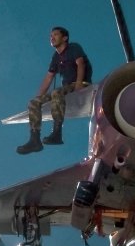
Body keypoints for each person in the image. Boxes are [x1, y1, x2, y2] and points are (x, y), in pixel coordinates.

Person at [17, 26, 92, 154]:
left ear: (65, 38)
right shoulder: (56, 57)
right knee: (33, 103)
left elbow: (81, 64)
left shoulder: (73, 48)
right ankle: (35, 140)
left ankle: (57, 133)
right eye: (51, 36)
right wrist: (38, 98)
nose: (52, 37)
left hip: (81, 84)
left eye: (55, 35)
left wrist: (79, 84)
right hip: (66, 89)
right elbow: (49, 77)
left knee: (57, 92)